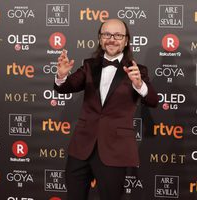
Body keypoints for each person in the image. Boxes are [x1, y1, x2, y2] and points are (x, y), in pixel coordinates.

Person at [54, 18, 158, 200]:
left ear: (126, 40)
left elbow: (153, 100)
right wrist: (61, 76)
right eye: (107, 34)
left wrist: (139, 85)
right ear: (100, 39)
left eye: (118, 35)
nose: (112, 39)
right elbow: (66, 87)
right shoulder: (88, 66)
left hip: (114, 150)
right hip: (81, 148)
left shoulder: (136, 70)